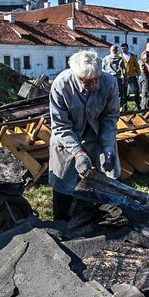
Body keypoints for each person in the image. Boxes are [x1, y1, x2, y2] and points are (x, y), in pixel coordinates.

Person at [48, 50, 120, 221]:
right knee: (64, 187)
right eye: (86, 81)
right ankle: (62, 225)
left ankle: (105, 224)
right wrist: (78, 153)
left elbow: (110, 117)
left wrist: (108, 147)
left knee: (111, 185)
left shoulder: (110, 83)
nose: (93, 85)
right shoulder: (61, 85)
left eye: (96, 79)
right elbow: (60, 125)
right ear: (76, 75)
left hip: (97, 139)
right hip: (66, 142)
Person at [101, 45, 126, 111]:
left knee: (108, 93)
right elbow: (124, 70)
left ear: (110, 50)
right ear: (117, 51)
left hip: (108, 78)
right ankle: (120, 107)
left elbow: (102, 69)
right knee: (119, 93)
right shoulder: (120, 58)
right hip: (117, 78)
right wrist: (125, 78)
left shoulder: (106, 58)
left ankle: (108, 107)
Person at [119, 43, 141, 111]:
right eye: (122, 49)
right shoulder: (120, 56)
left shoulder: (132, 55)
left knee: (136, 91)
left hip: (132, 76)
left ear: (127, 48)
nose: (123, 50)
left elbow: (136, 65)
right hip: (123, 77)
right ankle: (125, 107)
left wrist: (138, 72)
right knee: (124, 92)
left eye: (125, 48)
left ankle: (138, 105)